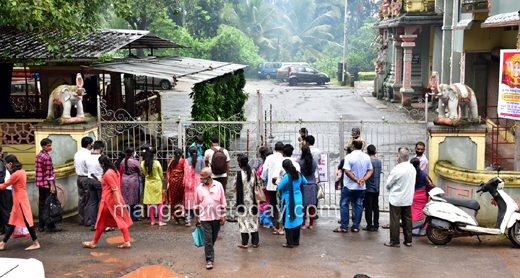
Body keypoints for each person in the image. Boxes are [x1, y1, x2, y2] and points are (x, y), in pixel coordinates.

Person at [82, 155, 133, 249]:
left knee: (101, 221)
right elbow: (111, 185)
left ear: (102, 164)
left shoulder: (108, 174)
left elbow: (114, 188)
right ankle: (126, 242)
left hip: (109, 201)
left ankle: (94, 242)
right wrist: (99, 181)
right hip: (115, 200)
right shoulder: (115, 171)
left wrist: (118, 202)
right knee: (120, 220)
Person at [0, 155, 39, 251]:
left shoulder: (16, 174)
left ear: (10, 163)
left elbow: (4, 186)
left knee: (27, 222)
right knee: (12, 222)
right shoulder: (22, 171)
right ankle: (3, 243)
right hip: (20, 199)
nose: (7, 166)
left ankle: (36, 243)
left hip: (20, 201)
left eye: (7, 163)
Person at [334, 140, 373, 233]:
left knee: (344, 205)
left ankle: (344, 226)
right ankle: (355, 226)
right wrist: (363, 179)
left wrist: (356, 180)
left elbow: (347, 171)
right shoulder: (366, 157)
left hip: (349, 187)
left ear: (353, 146)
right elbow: (371, 170)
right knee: (359, 205)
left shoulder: (349, 157)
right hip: (361, 187)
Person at [194, 168, 227, 270]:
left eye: (203, 176)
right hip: (205, 217)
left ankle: (208, 250)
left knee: (213, 237)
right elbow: (196, 205)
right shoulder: (199, 188)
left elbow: (223, 201)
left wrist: (223, 215)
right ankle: (209, 260)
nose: (201, 178)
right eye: (200, 175)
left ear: (209, 177)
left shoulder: (218, 186)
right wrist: (196, 218)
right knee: (208, 238)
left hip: (216, 216)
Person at [384, 147, 416, 248]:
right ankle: (408, 240)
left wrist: (389, 188)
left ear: (399, 157)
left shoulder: (397, 169)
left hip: (397, 199)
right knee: (407, 219)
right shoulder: (412, 168)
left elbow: (389, 183)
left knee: (395, 220)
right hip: (407, 198)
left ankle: (395, 241)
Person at [273, 144, 301, 234]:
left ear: (282, 152)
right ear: (292, 153)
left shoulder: (280, 162)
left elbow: (275, 176)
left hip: (283, 189)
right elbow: (300, 176)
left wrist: (275, 182)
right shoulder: (296, 163)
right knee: (294, 207)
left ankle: (281, 228)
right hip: (295, 189)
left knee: (281, 207)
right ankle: (294, 226)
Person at [35, 138, 61, 232]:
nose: (50, 147)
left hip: (40, 185)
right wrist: (52, 186)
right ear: (43, 146)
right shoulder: (46, 157)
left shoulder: (38, 156)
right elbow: (49, 174)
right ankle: (50, 225)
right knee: (50, 205)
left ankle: (41, 226)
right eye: (48, 145)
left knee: (42, 205)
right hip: (47, 185)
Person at [278, 159, 306, 248]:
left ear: (285, 168)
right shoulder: (299, 174)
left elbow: (279, 187)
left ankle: (289, 243)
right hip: (298, 200)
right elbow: (305, 182)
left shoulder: (287, 176)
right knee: (297, 220)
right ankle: (296, 240)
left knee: (288, 220)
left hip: (289, 201)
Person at [235, 156, 260, 249]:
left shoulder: (239, 174)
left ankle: (244, 242)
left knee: (242, 221)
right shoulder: (253, 172)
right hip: (252, 201)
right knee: (253, 220)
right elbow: (257, 183)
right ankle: (255, 242)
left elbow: (234, 186)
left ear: (240, 164)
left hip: (242, 201)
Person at [261, 142, 284, 235]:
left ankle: (274, 225)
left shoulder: (269, 158)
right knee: (281, 205)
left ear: (275, 148)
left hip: (271, 185)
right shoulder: (283, 158)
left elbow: (264, 170)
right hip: (280, 185)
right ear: (282, 150)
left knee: (273, 205)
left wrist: (263, 181)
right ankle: (280, 225)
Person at [86, 141, 109, 232]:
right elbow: (106, 169)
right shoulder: (102, 158)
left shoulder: (87, 157)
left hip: (90, 180)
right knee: (102, 204)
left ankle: (93, 224)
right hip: (100, 181)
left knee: (93, 203)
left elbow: (86, 168)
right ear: (101, 148)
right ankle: (102, 225)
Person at [141, 147, 166, 226]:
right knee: (160, 202)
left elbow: (144, 173)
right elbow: (161, 174)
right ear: (154, 154)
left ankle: (152, 220)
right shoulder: (157, 163)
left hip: (148, 183)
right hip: (157, 183)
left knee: (150, 203)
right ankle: (160, 221)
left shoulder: (143, 163)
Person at [74, 137, 93, 227]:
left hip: (79, 177)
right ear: (89, 144)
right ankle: (88, 220)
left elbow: (75, 165)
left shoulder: (77, 153)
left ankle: (81, 219)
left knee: (81, 199)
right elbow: (89, 167)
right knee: (88, 199)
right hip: (86, 177)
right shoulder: (88, 155)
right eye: (91, 143)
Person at [183, 146, 205, 227]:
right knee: (198, 202)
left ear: (189, 153)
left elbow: (185, 173)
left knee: (188, 202)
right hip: (198, 183)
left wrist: (184, 183)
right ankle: (199, 220)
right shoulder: (201, 160)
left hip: (189, 184)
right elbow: (203, 172)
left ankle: (188, 221)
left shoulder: (186, 161)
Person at [297, 145, 317, 229]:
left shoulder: (299, 162)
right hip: (312, 185)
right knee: (312, 205)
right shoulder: (314, 162)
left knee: (303, 206)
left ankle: (303, 224)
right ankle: (311, 224)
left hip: (303, 185)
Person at [121, 147, 142, 221]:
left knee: (125, 198)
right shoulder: (135, 162)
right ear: (133, 153)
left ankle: (126, 215)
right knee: (135, 199)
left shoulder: (123, 161)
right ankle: (134, 216)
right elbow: (140, 172)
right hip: (133, 182)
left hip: (124, 181)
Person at [363, 145, 381, 231]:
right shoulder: (379, 161)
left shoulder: (368, 161)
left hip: (369, 188)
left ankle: (369, 225)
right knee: (376, 207)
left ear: (367, 152)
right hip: (377, 187)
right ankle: (376, 225)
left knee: (368, 207)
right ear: (375, 151)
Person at [166, 149, 185, 225]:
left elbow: (168, 171)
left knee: (174, 200)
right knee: (181, 199)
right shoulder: (183, 161)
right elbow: (185, 171)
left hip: (172, 181)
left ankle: (175, 218)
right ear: (181, 154)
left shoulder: (171, 161)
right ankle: (180, 215)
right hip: (180, 181)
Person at [410, 157, 428, 236]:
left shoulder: (411, 174)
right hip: (423, 196)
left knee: (414, 212)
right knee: (423, 212)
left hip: (414, 196)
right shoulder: (423, 173)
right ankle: (423, 230)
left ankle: (415, 230)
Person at [0, 147, 13, 235]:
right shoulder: (0, 163)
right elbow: (1, 176)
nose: (2, 154)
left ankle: (2, 228)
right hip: (4, 189)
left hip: (3, 188)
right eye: (1, 152)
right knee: (6, 209)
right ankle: (8, 229)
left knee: (1, 209)